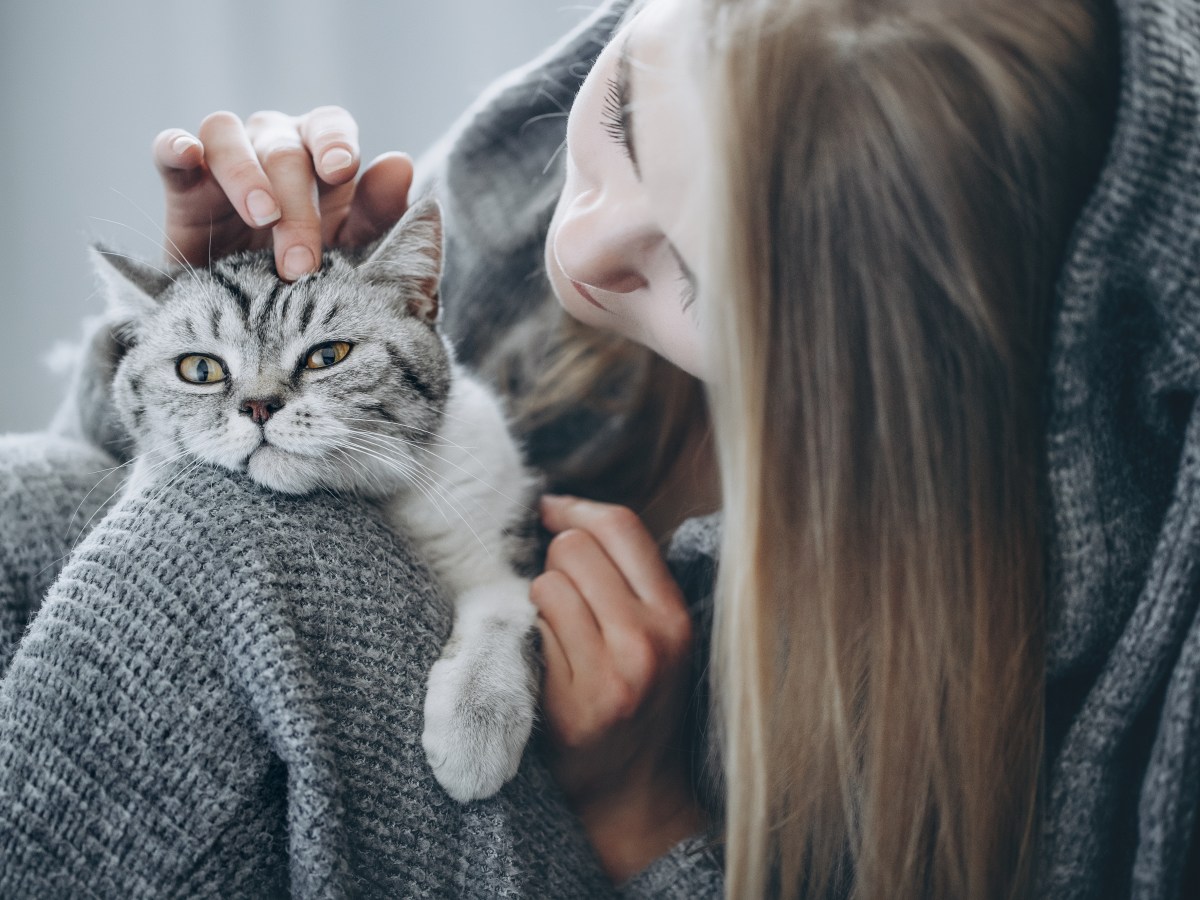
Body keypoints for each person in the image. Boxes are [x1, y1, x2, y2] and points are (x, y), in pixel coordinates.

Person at [2, 0, 1198, 897]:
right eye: (621, 109)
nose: (576, 241)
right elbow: (107, 536)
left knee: (226, 540)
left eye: (689, 271)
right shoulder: (534, 177)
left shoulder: (1062, 683)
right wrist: (176, 344)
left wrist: (646, 823)